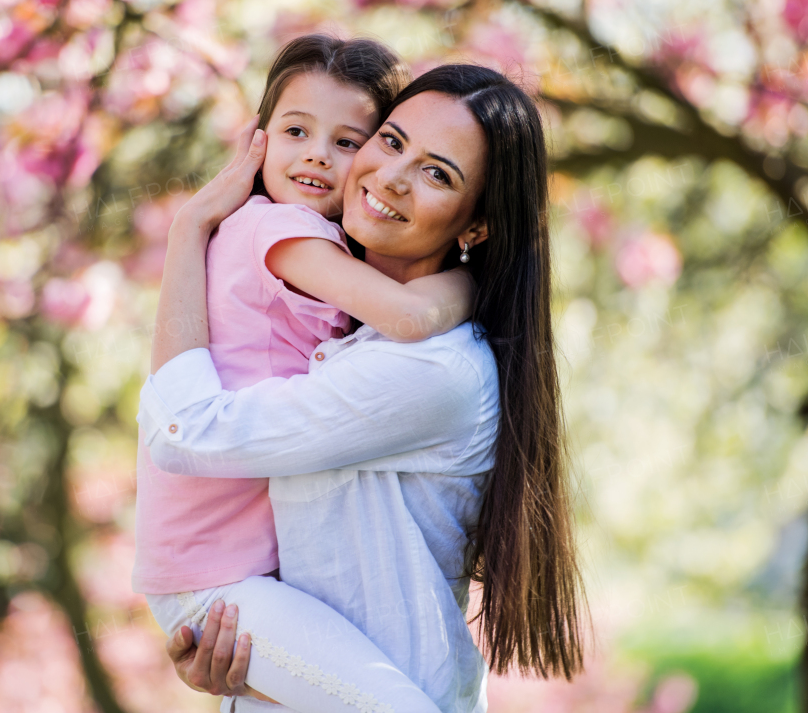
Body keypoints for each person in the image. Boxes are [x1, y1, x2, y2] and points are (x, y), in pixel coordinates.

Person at [141, 64, 588, 712]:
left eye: (439, 173)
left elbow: (181, 433)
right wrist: (238, 653)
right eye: (391, 140)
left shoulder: (432, 373)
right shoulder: (336, 326)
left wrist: (191, 229)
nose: (393, 177)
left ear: (476, 226)